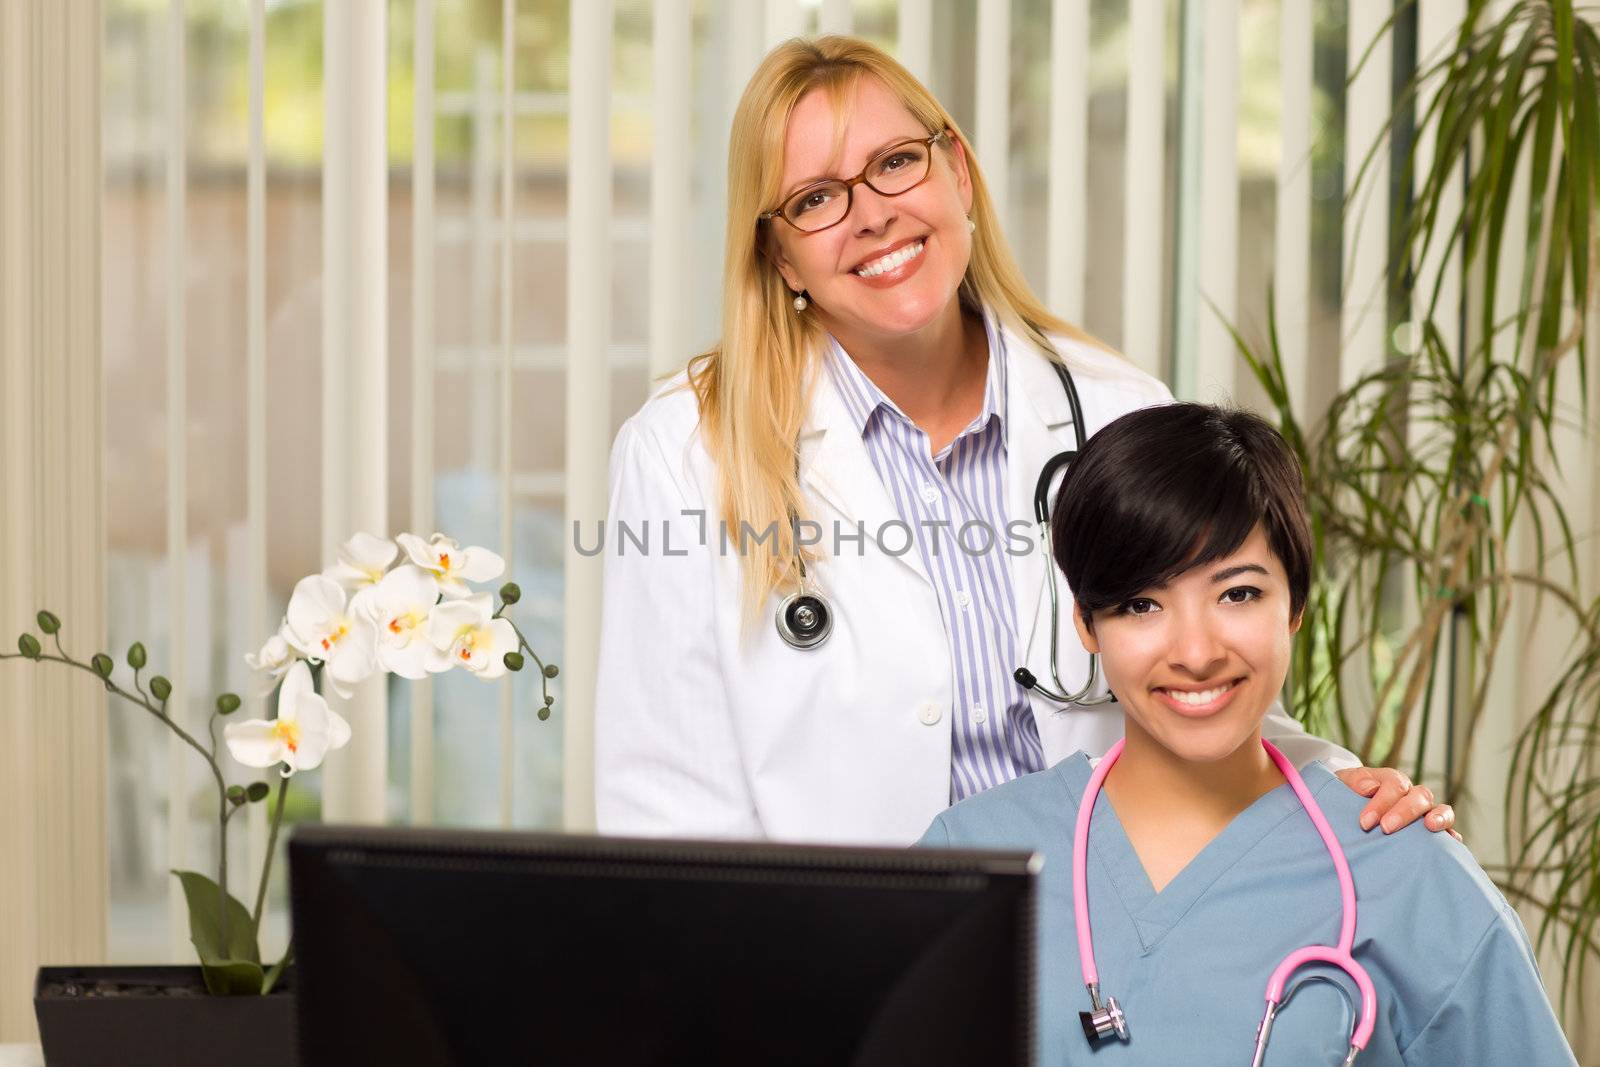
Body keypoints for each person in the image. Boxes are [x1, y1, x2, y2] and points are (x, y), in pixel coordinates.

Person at [594, 35, 1454, 846]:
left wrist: (1339, 779)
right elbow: (667, 809)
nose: (873, 215)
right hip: (848, 966)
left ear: (958, 174)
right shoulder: (684, 453)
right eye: (816, 199)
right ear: (779, 258)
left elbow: (1204, 683)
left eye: (896, 163)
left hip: (1107, 946)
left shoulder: (1115, 408)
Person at [918, 403, 1576, 1064]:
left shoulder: (1409, 873)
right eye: (1141, 604)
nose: (1196, 651)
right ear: (1087, 624)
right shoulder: (971, 858)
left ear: (1294, 605)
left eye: (1237, 593)